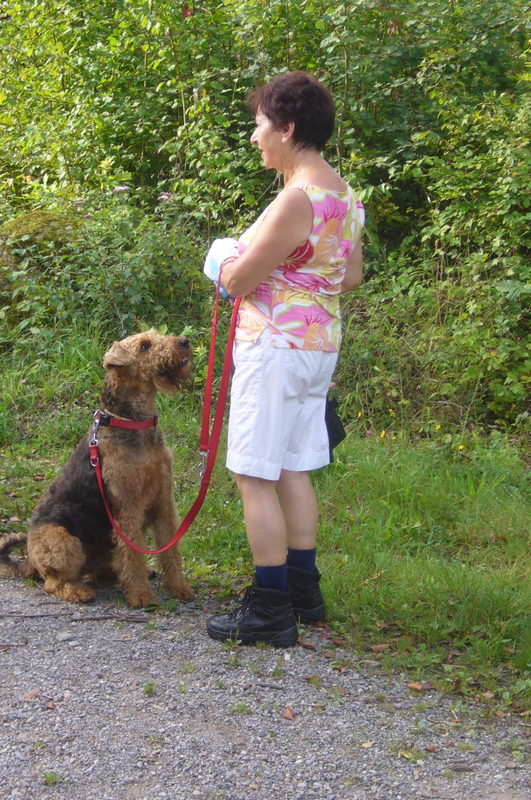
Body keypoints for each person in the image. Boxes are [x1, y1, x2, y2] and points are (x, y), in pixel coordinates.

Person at [205, 71, 365, 647]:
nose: (255, 136)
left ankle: (269, 608)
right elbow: (349, 277)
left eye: (260, 125)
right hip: (318, 349)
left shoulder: (295, 198)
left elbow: (237, 281)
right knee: (294, 465)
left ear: (287, 128)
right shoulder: (345, 196)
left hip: (274, 349)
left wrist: (220, 257)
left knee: (253, 473)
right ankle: (303, 591)